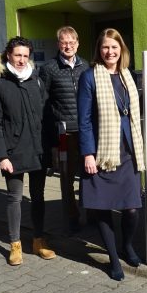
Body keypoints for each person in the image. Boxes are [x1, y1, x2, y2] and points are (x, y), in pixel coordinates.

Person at [77, 28, 144, 281]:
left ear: (121, 49)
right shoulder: (89, 77)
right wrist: (88, 154)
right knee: (103, 207)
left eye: (114, 47)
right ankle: (113, 258)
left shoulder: (128, 75)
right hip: (103, 151)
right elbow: (83, 120)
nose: (110, 52)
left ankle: (127, 245)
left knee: (131, 209)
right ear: (99, 49)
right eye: (105, 47)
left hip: (128, 150)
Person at [0, 36, 56, 266]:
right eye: (18, 55)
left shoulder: (36, 81)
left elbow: (47, 116)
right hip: (13, 151)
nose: (21, 60)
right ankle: (15, 245)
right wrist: (1, 155)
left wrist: (52, 147)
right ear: (8, 55)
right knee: (14, 198)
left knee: (38, 197)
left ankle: (38, 241)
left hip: (38, 150)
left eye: (26, 56)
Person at [39, 26, 88, 234]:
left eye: (72, 42)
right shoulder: (49, 68)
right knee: (67, 177)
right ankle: (72, 217)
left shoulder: (86, 66)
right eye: (63, 42)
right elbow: (43, 102)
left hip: (86, 131)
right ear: (58, 44)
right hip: (64, 133)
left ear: (77, 43)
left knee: (88, 174)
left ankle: (91, 212)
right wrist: (49, 135)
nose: (68, 46)